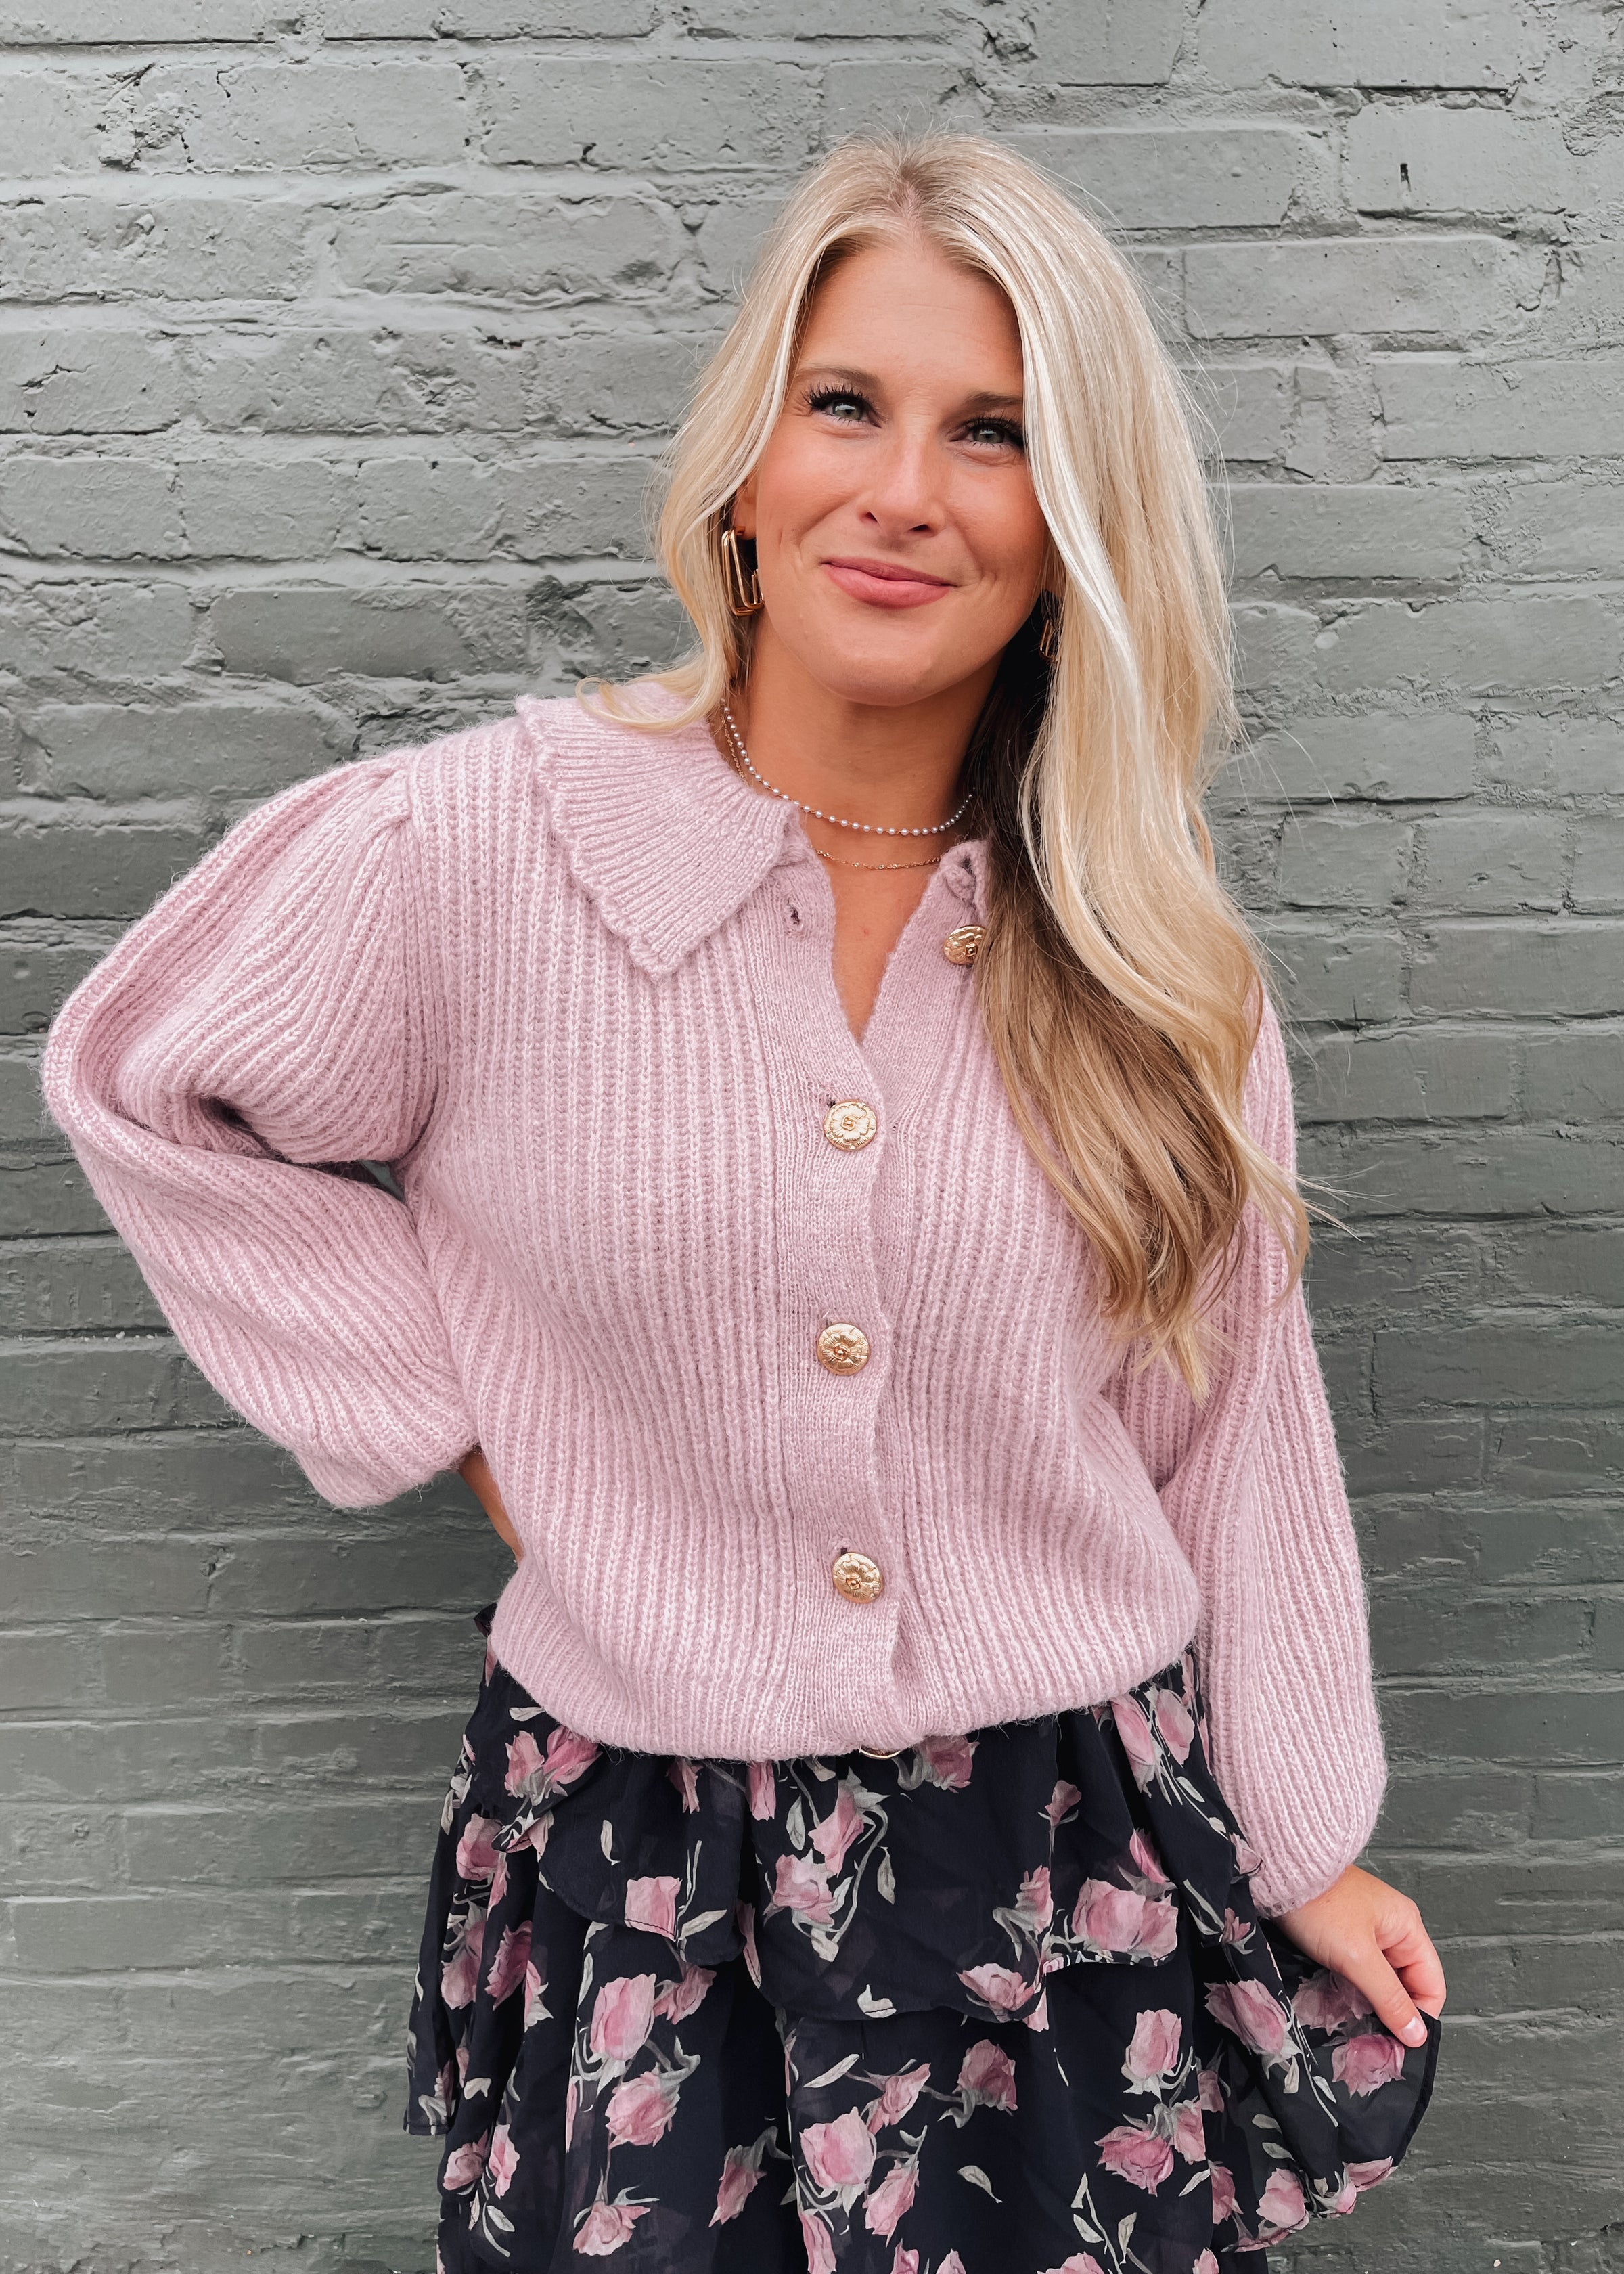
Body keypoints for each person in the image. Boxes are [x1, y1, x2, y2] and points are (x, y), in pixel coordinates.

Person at [40, 133, 1443, 2274]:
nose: (905, 491)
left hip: (1067, 1860)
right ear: (748, 465)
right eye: (847, 404)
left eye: (995, 435)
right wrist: (465, 1422)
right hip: (647, 1857)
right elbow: (143, 1079)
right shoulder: (476, 856)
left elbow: (1232, 1428)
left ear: (1071, 529)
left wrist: (1303, 1835)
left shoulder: (1148, 959)